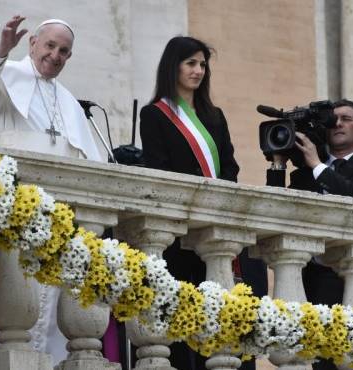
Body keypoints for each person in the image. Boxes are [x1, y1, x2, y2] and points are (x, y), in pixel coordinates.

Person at [0, 15, 106, 365]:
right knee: (3, 303)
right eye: (50, 45)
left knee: (51, 313)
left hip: (53, 219)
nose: (55, 55)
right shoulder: (7, 77)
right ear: (33, 44)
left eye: (64, 51)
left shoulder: (69, 102)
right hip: (6, 214)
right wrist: (0, 51)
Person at [140, 36, 267, 370]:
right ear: (174, 66)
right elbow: (158, 167)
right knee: (185, 315)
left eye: (202, 64)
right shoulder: (155, 115)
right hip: (180, 231)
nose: (198, 70)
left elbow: (230, 167)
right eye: (190, 63)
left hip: (218, 226)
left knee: (223, 313)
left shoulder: (215, 115)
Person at [266, 99, 353, 370]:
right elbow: (277, 211)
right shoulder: (305, 175)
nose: (338, 123)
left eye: (346, 119)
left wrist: (318, 165)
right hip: (318, 285)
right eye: (333, 120)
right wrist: (278, 164)